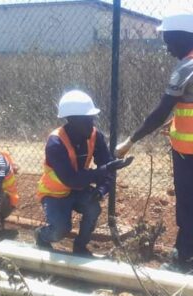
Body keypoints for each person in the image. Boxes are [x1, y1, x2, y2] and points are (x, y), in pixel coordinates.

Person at [115, 10, 193, 274]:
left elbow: (160, 111)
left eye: (168, 40)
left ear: (181, 36)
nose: (167, 47)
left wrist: (130, 141)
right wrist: (186, 120)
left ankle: (185, 259)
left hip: (187, 151)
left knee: (189, 203)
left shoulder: (189, 66)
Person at [35, 90, 133, 256]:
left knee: (93, 208)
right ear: (72, 120)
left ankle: (80, 246)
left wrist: (101, 190)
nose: (92, 123)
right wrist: (105, 169)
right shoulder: (55, 143)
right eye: (87, 119)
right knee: (61, 229)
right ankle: (42, 236)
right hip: (54, 193)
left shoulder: (95, 136)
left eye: (92, 118)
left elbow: (107, 168)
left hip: (78, 189)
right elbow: (71, 180)